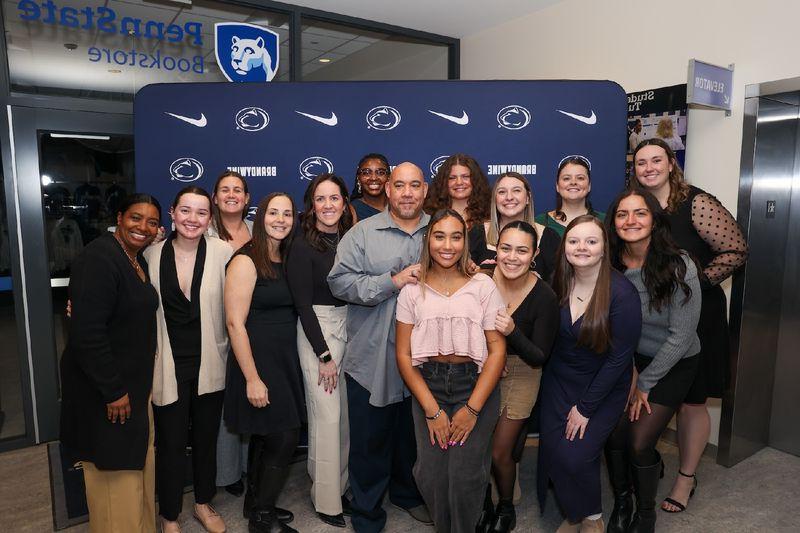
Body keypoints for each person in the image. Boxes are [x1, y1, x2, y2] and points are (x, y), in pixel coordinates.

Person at [632, 138, 748, 514]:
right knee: (650, 392)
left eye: (656, 160)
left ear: (670, 164)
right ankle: (647, 454)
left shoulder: (695, 202)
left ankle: (686, 478)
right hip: (651, 321)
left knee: (692, 400)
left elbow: (736, 250)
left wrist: (695, 283)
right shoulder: (636, 208)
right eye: (641, 163)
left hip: (697, 317)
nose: (649, 167)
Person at [328, 162, 432, 533]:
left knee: (412, 437)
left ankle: (407, 495)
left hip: (426, 360)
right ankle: (368, 512)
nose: (407, 193)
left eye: (414, 185)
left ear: (424, 190)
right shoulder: (362, 233)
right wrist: (392, 281)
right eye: (399, 185)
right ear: (387, 190)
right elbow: (339, 283)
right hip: (373, 357)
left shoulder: (440, 231)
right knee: (370, 442)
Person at [394, 208, 506, 533]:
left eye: (456, 237)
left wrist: (472, 409)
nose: (448, 245)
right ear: (428, 240)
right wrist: (432, 410)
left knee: (465, 474)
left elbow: (498, 350)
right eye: (439, 236)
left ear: (465, 243)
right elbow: (403, 354)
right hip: (428, 386)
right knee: (429, 473)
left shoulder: (482, 286)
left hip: (474, 384)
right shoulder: (412, 291)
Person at [59, 193, 161, 533]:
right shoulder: (100, 258)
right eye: (135, 218)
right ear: (119, 217)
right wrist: (113, 390)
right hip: (108, 395)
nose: (142, 227)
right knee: (113, 481)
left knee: (135, 474)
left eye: (151, 222)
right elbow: (86, 333)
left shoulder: (135, 258)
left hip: (133, 388)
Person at [603, 189, 701, 533]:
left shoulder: (679, 265)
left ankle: (645, 514)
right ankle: (622, 500)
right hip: (630, 359)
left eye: (640, 213)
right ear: (613, 223)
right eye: (622, 214)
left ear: (655, 219)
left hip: (674, 362)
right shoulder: (609, 263)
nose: (631, 221)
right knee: (613, 433)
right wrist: (627, 369)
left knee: (638, 441)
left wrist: (643, 383)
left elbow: (682, 336)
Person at [536, 216, 642, 533]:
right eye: (574, 241)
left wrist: (585, 408)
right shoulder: (558, 280)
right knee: (556, 454)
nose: (582, 247)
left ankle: (591, 519)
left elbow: (620, 359)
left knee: (577, 456)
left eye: (591, 241)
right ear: (564, 246)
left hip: (603, 385)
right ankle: (577, 512)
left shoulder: (622, 294)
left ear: (603, 248)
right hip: (559, 380)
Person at [143, 186, 232, 533]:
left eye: (200, 212)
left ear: (210, 218)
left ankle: (203, 503)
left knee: (207, 438)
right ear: (172, 213)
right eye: (186, 211)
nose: (192, 219)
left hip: (210, 361)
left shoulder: (224, 252)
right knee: (170, 442)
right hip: (166, 364)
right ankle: (169, 514)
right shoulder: (150, 255)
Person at [224, 193, 304, 533]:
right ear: (261, 216)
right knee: (285, 437)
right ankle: (261, 517)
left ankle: (254, 503)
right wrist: (252, 378)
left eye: (287, 214)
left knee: (267, 436)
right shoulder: (246, 260)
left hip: (284, 358)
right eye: (274, 213)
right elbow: (234, 323)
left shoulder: (286, 255)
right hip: (258, 360)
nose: (281, 219)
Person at [286, 173, 354, 528]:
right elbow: (302, 305)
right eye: (320, 199)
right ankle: (327, 502)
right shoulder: (301, 244)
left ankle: (338, 487)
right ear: (311, 206)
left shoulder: (349, 238)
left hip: (348, 328)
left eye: (334, 198)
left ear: (344, 202)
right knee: (326, 418)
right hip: (319, 333)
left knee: (341, 418)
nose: (328, 205)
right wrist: (324, 355)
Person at [483, 221, 559, 533]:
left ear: (535, 254)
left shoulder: (545, 296)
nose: (512, 257)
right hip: (482, 367)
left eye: (522, 250)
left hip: (523, 372)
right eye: (506, 248)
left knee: (500, 449)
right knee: (478, 444)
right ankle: (483, 501)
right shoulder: (480, 282)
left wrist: (512, 332)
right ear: (496, 250)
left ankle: (504, 504)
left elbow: (539, 355)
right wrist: (489, 358)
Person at [208, 170, 253, 498]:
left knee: (251, 396)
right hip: (215, 325)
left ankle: (251, 466)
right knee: (225, 401)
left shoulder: (256, 230)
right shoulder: (203, 230)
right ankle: (228, 472)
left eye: (238, 190)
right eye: (225, 190)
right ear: (215, 197)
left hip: (254, 325)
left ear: (247, 198)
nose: (232, 194)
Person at [469, 171, 561, 282]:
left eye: (516, 190)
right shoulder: (476, 234)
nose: (509, 197)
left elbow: (558, 286)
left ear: (528, 197)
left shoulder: (549, 238)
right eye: (502, 192)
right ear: (495, 199)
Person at [535, 156, 605, 238]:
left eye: (580, 178)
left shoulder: (605, 221)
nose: (573, 182)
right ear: (557, 186)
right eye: (566, 178)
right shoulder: (540, 222)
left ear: (589, 186)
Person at [423, 153, 491, 229]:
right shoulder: (429, 216)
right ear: (443, 182)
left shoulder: (490, 213)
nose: (459, 182)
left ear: (476, 180)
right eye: (452, 178)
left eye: (465, 177)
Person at [351, 153, 390, 220]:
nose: (373, 178)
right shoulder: (352, 211)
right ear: (358, 178)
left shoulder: (398, 205)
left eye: (380, 172)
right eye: (366, 173)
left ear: (389, 177)